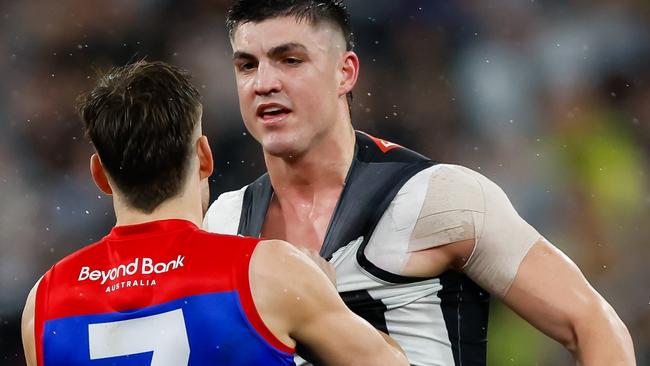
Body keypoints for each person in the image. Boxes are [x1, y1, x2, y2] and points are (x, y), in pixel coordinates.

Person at [203, 1, 636, 365]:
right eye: (247, 65)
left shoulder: (435, 197)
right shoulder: (223, 222)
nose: (264, 84)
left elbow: (593, 325)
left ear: (345, 73)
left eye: (290, 60)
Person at [20, 60, 408, 366]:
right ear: (205, 158)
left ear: (99, 176)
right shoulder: (269, 271)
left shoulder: (44, 303)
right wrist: (328, 296)